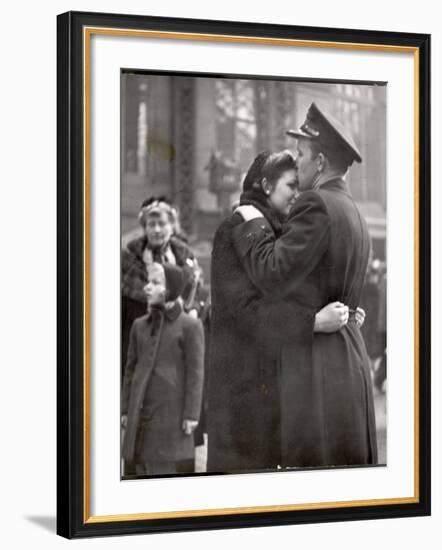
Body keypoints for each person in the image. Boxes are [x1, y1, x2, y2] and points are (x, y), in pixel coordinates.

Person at [233, 103, 378, 468]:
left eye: (301, 155)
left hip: (316, 370)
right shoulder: (355, 213)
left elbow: (272, 272)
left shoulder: (315, 202)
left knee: (311, 481)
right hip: (349, 363)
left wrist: (251, 222)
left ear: (321, 162)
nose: (295, 164)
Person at [208, 149, 360, 473]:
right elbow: (243, 314)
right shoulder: (235, 228)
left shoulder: (276, 230)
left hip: (269, 393)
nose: (297, 193)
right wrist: (313, 323)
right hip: (241, 397)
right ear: (266, 185)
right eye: (291, 186)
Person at [121, 262, 204, 475]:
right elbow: (130, 371)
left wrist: (191, 414)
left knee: (163, 473)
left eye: (155, 282)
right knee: (135, 471)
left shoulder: (190, 326)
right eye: (148, 282)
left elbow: (196, 374)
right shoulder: (139, 326)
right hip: (139, 418)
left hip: (170, 419)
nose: (147, 287)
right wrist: (124, 409)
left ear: (172, 289)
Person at [121, 197, 199, 376]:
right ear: (144, 228)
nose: (156, 230)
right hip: (138, 342)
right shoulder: (129, 260)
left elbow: (193, 298)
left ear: (172, 227)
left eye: (162, 224)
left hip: (176, 345)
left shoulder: (185, 258)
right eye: (151, 224)